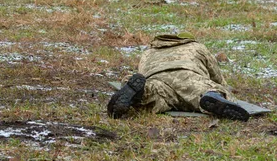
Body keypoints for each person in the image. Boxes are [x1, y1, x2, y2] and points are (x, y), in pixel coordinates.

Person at [107, 33, 250, 121]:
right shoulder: (196, 46)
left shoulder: (149, 51)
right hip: (186, 76)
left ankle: (141, 93)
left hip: (158, 79)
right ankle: (212, 96)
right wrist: (222, 88)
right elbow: (216, 76)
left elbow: (143, 74)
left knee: (154, 95)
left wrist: (140, 85)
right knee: (205, 90)